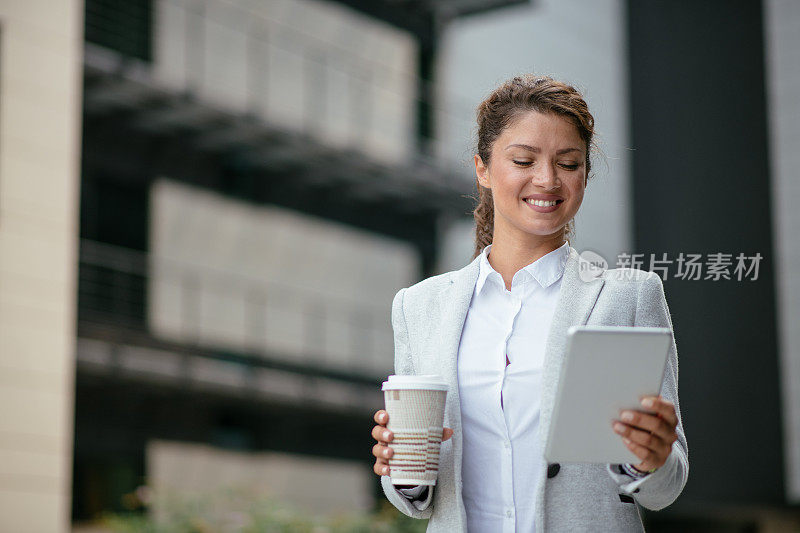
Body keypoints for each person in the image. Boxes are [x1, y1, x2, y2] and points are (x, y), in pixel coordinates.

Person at [370, 74, 688, 532]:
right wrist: (402, 470)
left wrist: (649, 459)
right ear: (482, 168)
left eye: (569, 163)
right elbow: (416, 495)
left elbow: (668, 485)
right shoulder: (420, 307)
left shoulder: (627, 296)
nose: (547, 180)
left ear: (585, 174)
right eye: (523, 159)